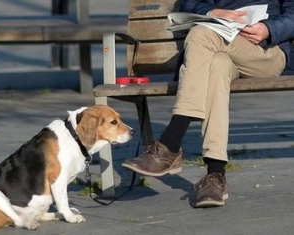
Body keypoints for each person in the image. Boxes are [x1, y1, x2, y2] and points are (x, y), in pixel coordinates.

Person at [122, 0, 294, 208]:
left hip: (266, 51)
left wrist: (268, 29)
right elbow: (189, 3)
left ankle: (171, 142)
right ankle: (215, 176)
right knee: (217, 64)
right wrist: (213, 11)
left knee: (200, 34)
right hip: (220, 46)